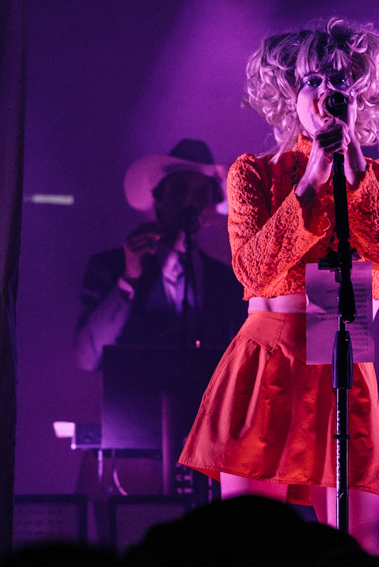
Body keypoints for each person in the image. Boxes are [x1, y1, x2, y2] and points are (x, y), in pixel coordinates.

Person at [178, 17, 379, 555]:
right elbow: (253, 270)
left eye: (341, 84)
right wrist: (311, 175)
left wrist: (352, 165)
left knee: (359, 534)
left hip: (343, 350)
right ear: (293, 93)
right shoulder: (253, 174)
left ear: (362, 96)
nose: (326, 95)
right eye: (313, 82)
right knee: (251, 537)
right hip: (269, 355)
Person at [73, 139, 247, 493]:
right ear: (158, 199)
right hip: (129, 456)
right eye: (180, 190)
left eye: (201, 193)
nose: (189, 203)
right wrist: (129, 280)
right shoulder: (110, 267)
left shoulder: (227, 282)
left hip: (208, 455)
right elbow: (86, 357)